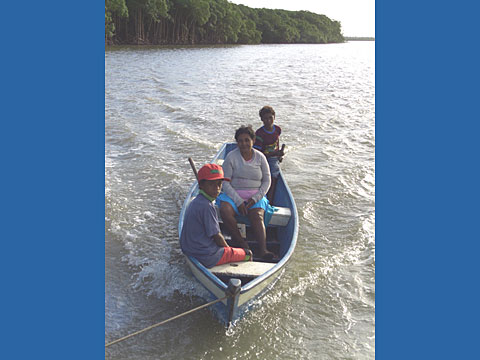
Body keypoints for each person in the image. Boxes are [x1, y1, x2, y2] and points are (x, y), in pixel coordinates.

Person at [217, 125, 276, 260]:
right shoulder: (231, 157)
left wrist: (255, 199)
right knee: (225, 210)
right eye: (240, 141)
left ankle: (263, 249)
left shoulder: (261, 158)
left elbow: (267, 181)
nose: (243, 143)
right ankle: (242, 244)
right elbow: (225, 183)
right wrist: (238, 201)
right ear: (237, 142)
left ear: (253, 141)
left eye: (246, 140)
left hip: (255, 195)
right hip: (233, 194)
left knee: (257, 215)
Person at [180, 163, 252, 269]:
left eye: (219, 184)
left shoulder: (196, 202)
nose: (217, 188)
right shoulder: (207, 206)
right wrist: (228, 251)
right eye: (212, 184)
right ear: (201, 185)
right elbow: (217, 236)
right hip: (207, 256)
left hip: (190, 250)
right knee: (247, 254)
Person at [253, 106, 285, 204]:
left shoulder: (277, 129)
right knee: (266, 178)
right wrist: (275, 153)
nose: (268, 120)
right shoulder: (259, 133)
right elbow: (258, 153)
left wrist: (279, 155)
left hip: (274, 158)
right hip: (262, 159)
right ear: (262, 119)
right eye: (265, 118)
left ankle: (270, 201)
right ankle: (265, 200)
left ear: (274, 117)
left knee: (274, 178)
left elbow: (277, 142)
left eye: (270, 118)